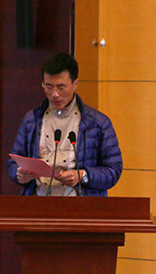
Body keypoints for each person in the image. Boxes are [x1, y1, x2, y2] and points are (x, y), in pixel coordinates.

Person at [7, 53, 122, 196]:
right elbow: (13, 163)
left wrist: (83, 175)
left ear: (75, 84)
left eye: (61, 87)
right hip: (38, 200)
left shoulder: (97, 122)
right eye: (49, 87)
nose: (54, 94)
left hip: (80, 203)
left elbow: (113, 170)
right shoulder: (32, 119)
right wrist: (19, 174)